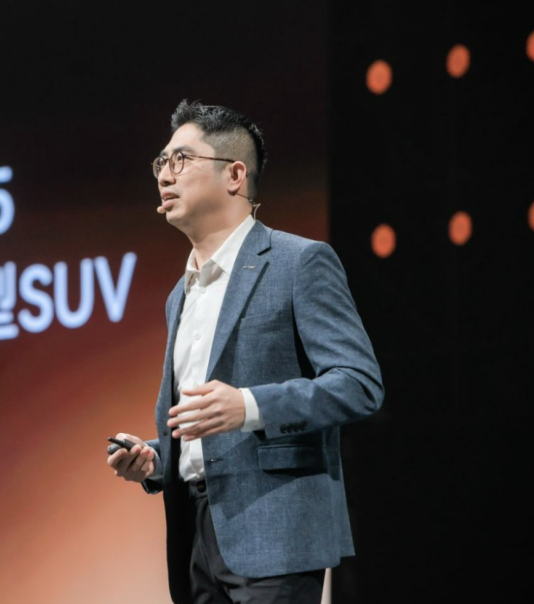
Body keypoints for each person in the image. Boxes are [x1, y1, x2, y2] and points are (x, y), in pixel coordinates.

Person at [107, 100, 384, 604]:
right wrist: (155, 459)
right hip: (194, 536)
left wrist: (250, 406)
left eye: (181, 160)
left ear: (235, 175)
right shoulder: (179, 296)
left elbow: (358, 384)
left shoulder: (299, 262)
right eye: (161, 162)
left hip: (276, 530)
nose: (165, 174)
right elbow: (204, 431)